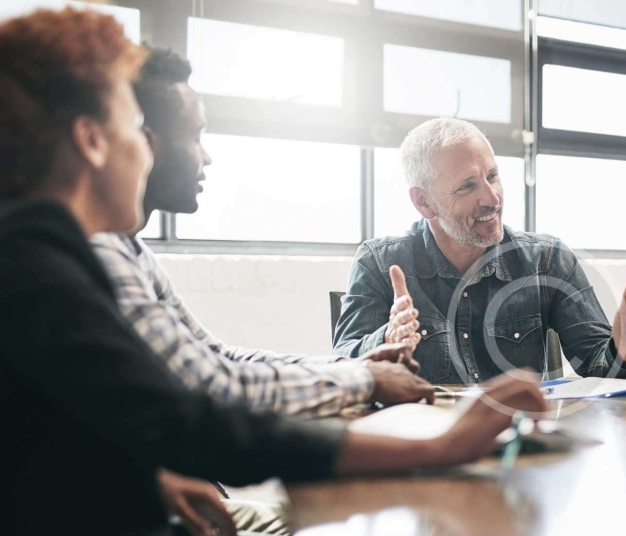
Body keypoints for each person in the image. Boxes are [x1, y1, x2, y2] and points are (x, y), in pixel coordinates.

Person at [0, 9, 544, 536]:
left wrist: (140, 472)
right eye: (134, 131)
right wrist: (437, 448)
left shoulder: (4, 247)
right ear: (93, 140)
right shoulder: (26, 266)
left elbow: (53, 424)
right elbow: (201, 426)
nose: (146, 150)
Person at [92, 46, 433, 419]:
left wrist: (355, 369)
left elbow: (216, 356)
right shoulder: (100, 249)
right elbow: (212, 386)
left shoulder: (132, 250)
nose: (206, 157)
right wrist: (365, 380)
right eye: (194, 137)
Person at [332, 117, 626, 385]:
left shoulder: (547, 260)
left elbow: (598, 366)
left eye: (492, 176)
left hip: (524, 452)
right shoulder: (379, 263)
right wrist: (386, 339)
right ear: (423, 202)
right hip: (428, 453)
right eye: (467, 186)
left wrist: (624, 354)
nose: (492, 199)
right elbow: (342, 367)